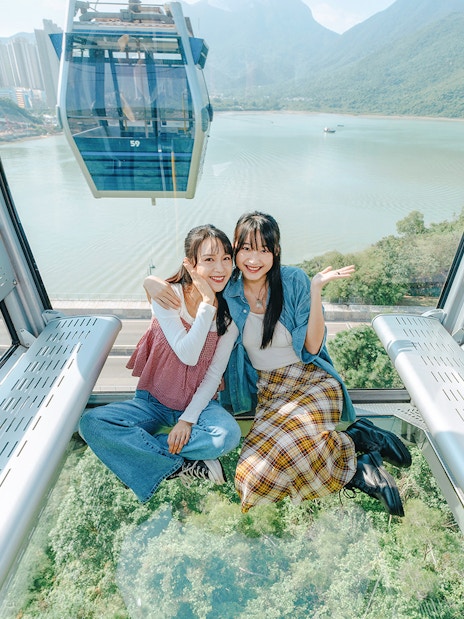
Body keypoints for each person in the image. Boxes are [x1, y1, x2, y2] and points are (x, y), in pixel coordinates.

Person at [145, 212, 411, 517]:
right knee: (250, 481)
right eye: (245, 249)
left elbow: (311, 347)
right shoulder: (228, 288)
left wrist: (315, 291)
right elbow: (189, 278)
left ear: (276, 252)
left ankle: (357, 465)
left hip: (312, 381)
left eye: (263, 250)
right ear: (235, 251)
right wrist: (149, 282)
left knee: (292, 448)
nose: (253, 259)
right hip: (271, 392)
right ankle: (357, 445)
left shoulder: (294, 281)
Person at [79, 224, 241, 503]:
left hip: (200, 406)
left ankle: (146, 461)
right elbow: (186, 353)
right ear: (190, 264)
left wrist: (188, 420)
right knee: (91, 423)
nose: (220, 268)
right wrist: (207, 304)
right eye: (209, 259)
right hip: (152, 402)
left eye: (226, 258)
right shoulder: (168, 296)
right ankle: (184, 464)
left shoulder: (229, 319)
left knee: (226, 436)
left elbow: (213, 375)